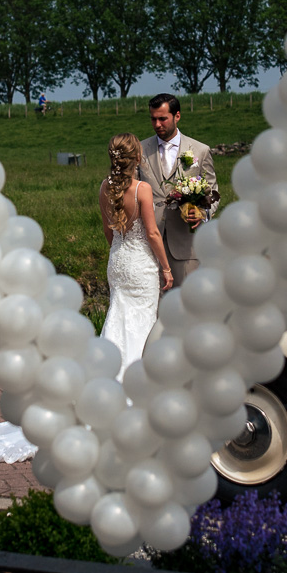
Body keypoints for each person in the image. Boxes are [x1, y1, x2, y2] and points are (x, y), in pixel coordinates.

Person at [99, 132, 172, 373]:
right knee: (141, 324)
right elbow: (152, 233)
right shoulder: (142, 189)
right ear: (138, 157)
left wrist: (119, 252)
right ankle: (137, 379)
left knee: (117, 318)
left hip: (118, 262)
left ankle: (107, 373)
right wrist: (166, 267)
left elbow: (109, 232)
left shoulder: (104, 187)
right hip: (140, 266)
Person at [138, 93, 216, 285]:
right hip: (147, 245)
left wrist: (202, 213)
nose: (157, 124)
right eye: (153, 119)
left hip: (185, 246)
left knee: (188, 306)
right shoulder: (139, 150)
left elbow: (212, 193)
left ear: (177, 116)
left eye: (162, 119)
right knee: (154, 310)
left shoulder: (200, 150)